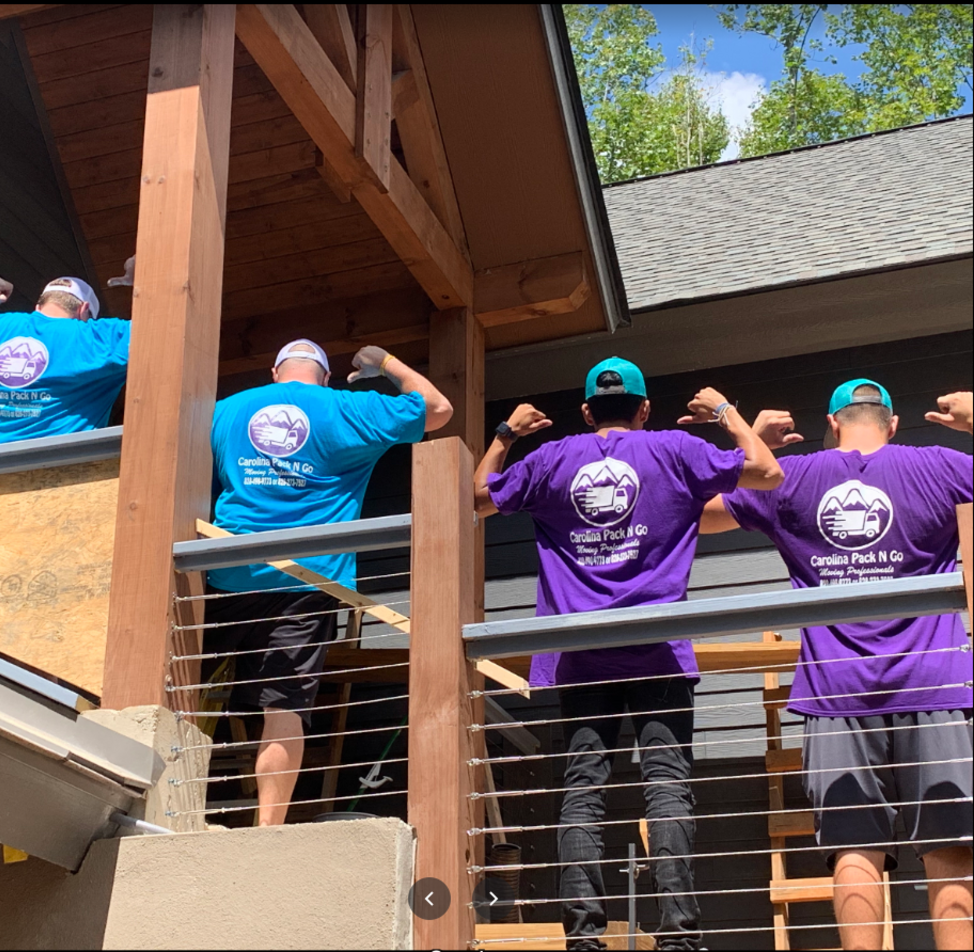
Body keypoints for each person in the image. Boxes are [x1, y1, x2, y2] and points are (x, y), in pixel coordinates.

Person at [474, 357, 784, 951]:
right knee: (667, 787)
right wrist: (724, 412)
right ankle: (678, 939)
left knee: (583, 790)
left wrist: (506, 434)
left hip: (578, 657)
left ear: (587, 411)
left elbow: (476, 498)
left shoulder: (549, 459)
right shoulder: (674, 449)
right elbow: (766, 473)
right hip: (659, 652)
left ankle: (584, 939)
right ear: (644, 409)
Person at [700, 382, 973, 952]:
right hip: (936, 683)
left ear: (831, 422)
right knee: (951, 846)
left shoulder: (790, 476)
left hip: (835, 692)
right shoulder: (940, 465)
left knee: (854, 847)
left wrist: (749, 443)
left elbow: (697, 513)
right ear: (892, 423)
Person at [205, 339, 452, 826]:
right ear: (326, 375)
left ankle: (167, 804)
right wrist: (383, 363)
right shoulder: (349, 407)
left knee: (187, 685)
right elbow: (437, 408)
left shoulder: (226, 410)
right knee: (285, 706)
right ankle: (267, 828)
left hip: (224, 573)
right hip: (305, 583)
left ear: (275, 371)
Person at [0, 275, 130, 447]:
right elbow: (154, 332)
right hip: (66, 474)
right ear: (83, 311)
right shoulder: (98, 338)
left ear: (38, 307)